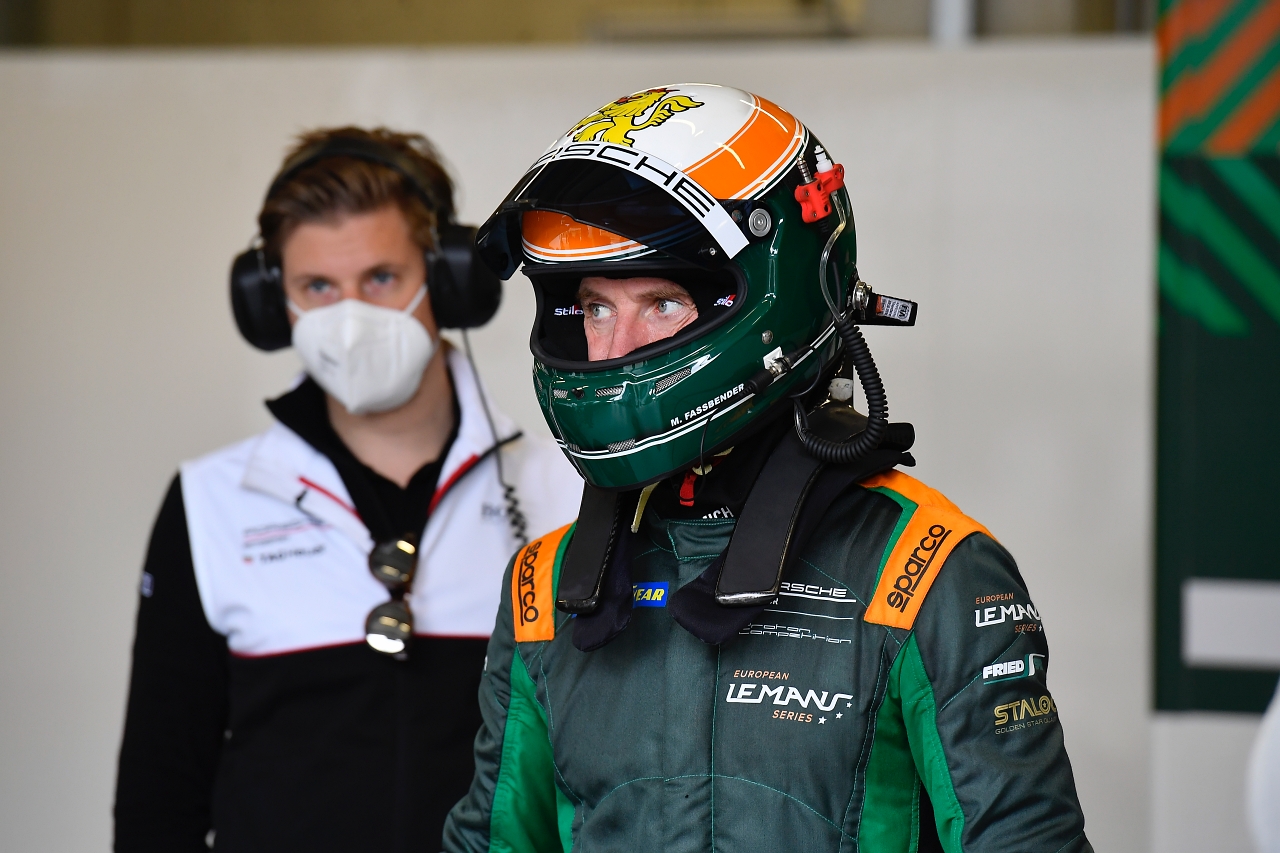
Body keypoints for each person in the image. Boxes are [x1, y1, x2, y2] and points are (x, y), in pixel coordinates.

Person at [443, 84, 1093, 852]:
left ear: (769, 305)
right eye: (594, 307)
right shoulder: (543, 587)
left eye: (660, 302)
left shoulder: (927, 572)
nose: (614, 347)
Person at [113, 126, 582, 852]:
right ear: (275, 304)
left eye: (381, 278)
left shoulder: (565, 491)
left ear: (450, 281)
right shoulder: (210, 504)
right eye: (318, 288)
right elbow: (158, 804)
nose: (349, 316)